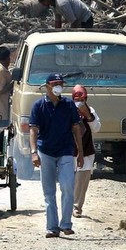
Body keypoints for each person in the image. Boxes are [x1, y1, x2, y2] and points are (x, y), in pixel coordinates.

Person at [29, 73, 84, 238]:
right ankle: (52, 227)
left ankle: (66, 224)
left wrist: (80, 153)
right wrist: (33, 153)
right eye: (55, 83)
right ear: (47, 86)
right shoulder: (38, 106)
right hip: (45, 152)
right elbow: (33, 130)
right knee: (49, 191)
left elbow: (76, 129)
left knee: (67, 186)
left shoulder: (68, 105)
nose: (58, 86)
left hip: (66, 151)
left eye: (61, 83)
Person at [72, 85, 100, 218]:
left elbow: (96, 128)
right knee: (69, 180)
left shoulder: (91, 111)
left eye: (81, 98)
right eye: (76, 98)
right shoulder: (68, 109)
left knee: (82, 180)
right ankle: (67, 204)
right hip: (70, 150)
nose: (79, 101)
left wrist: (87, 115)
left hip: (87, 151)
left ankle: (77, 206)